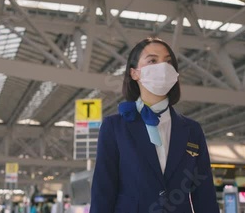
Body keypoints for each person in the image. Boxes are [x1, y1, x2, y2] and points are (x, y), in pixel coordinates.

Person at [90, 37, 219, 213]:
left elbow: (204, 194)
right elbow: (103, 191)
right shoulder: (114, 127)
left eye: (168, 62)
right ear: (134, 73)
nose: (163, 67)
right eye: (152, 60)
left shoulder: (192, 130)